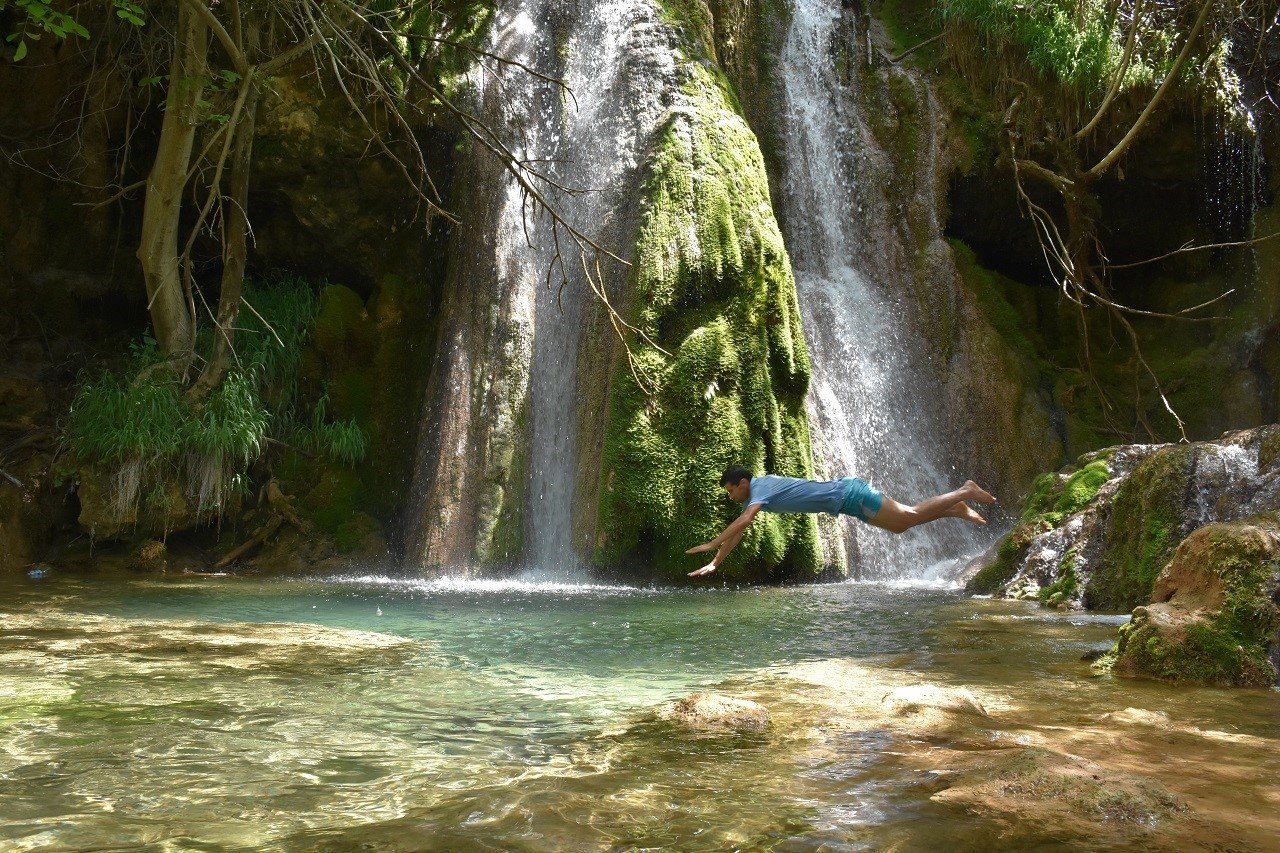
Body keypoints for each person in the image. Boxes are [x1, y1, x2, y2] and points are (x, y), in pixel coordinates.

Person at [686, 466, 996, 577]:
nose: (730, 497)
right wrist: (717, 560)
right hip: (848, 503)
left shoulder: (760, 489)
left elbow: (743, 521)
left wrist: (713, 541)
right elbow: (741, 528)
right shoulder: (759, 495)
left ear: (742, 483)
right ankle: (954, 508)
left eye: (730, 491)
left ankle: (964, 490)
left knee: (910, 515)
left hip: (850, 494)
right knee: (902, 525)